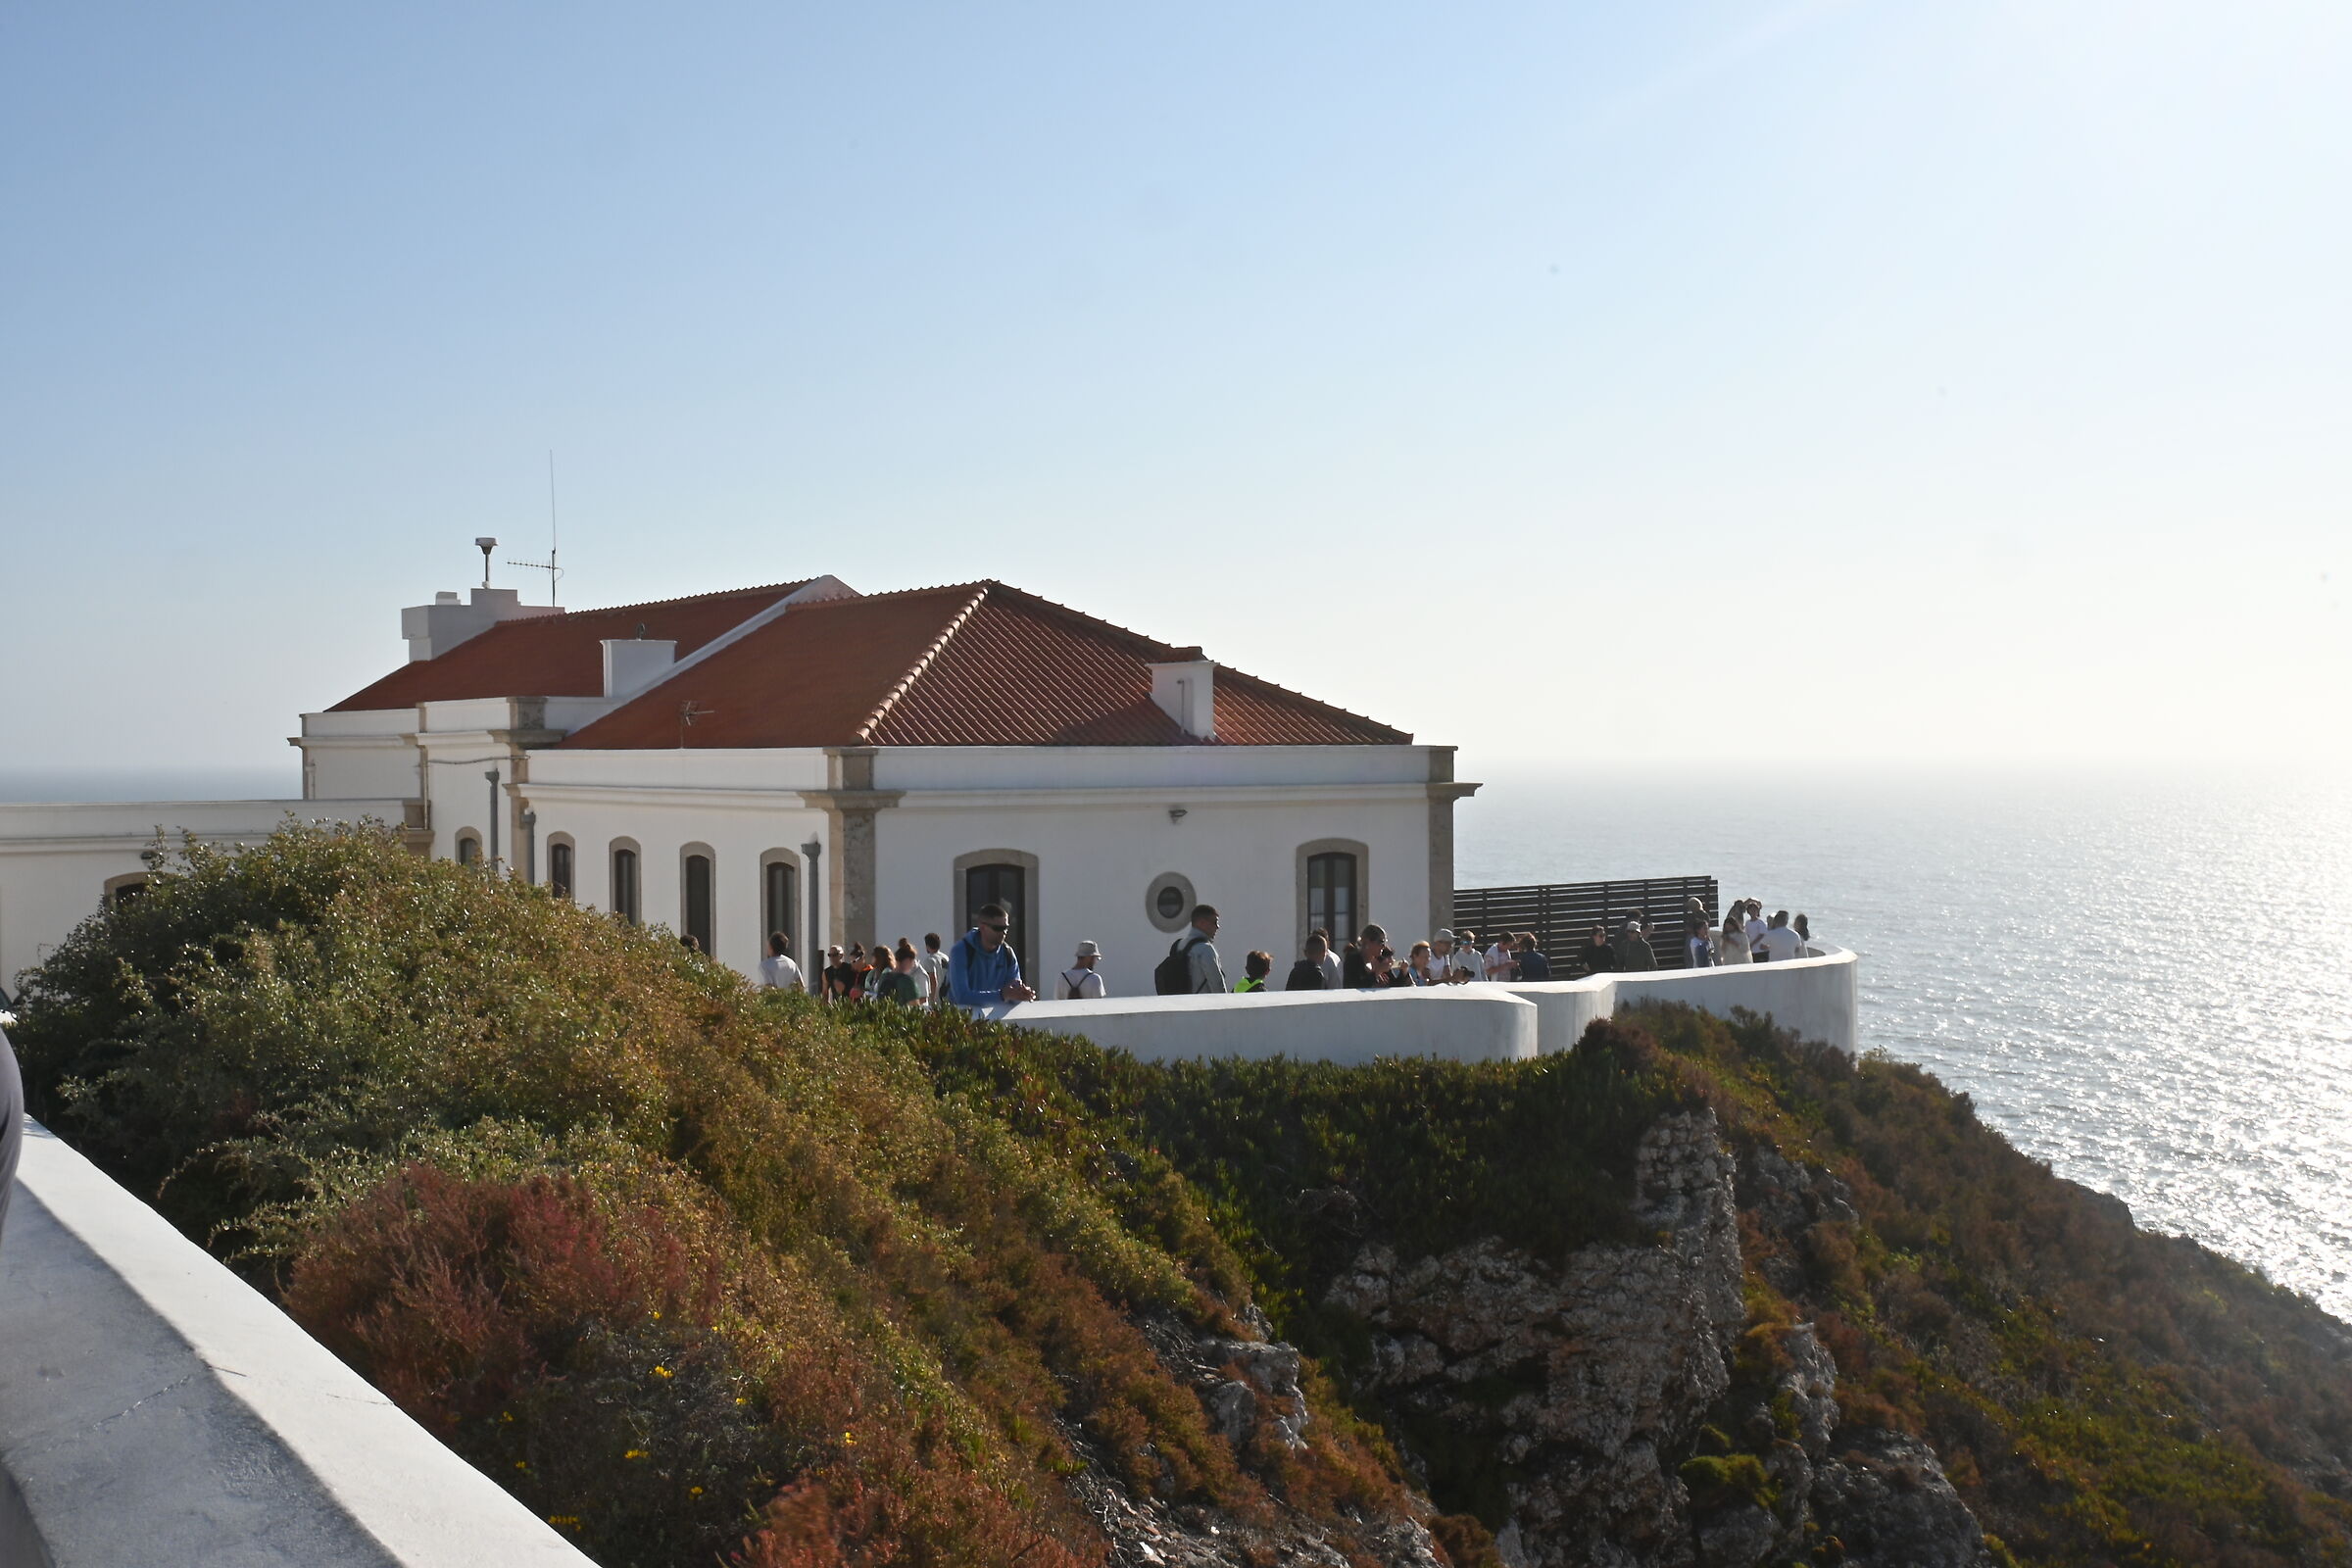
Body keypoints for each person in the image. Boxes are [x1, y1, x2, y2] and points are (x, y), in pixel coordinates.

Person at [948, 904, 1037, 1008]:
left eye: (1006, 928)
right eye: (998, 928)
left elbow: (1012, 992)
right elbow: (961, 997)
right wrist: (1002, 995)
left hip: (994, 1021)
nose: (1003, 932)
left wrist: (1021, 994)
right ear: (982, 928)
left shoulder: (1008, 953)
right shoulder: (960, 951)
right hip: (962, 1021)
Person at [1176, 905, 1228, 994]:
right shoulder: (1206, 949)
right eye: (1215, 922)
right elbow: (1217, 985)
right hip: (1203, 1005)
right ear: (1202, 923)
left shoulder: (1179, 945)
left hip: (1180, 1003)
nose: (1217, 927)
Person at [874, 941, 926, 1005]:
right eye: (913, 961)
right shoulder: (907, 981)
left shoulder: (884, 977)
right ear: (908, 960)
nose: (913, 965)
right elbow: (914, 1007)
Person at [1343, 923, 1390, 988]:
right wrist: (1376, 973)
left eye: (1384, 942)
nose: (1384, 946)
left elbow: (1396, 985)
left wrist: (1403, 972)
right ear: (1367, 941)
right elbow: (1355, 986)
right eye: (1381, 942)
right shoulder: (1353, 960)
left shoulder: (1380, 961)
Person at [917, 932, 950, 1006]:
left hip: (937, 1000)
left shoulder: (929, 960)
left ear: (927, 946)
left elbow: (932, 980)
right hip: (946, 997)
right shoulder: (945, 958)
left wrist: (931, 1000)